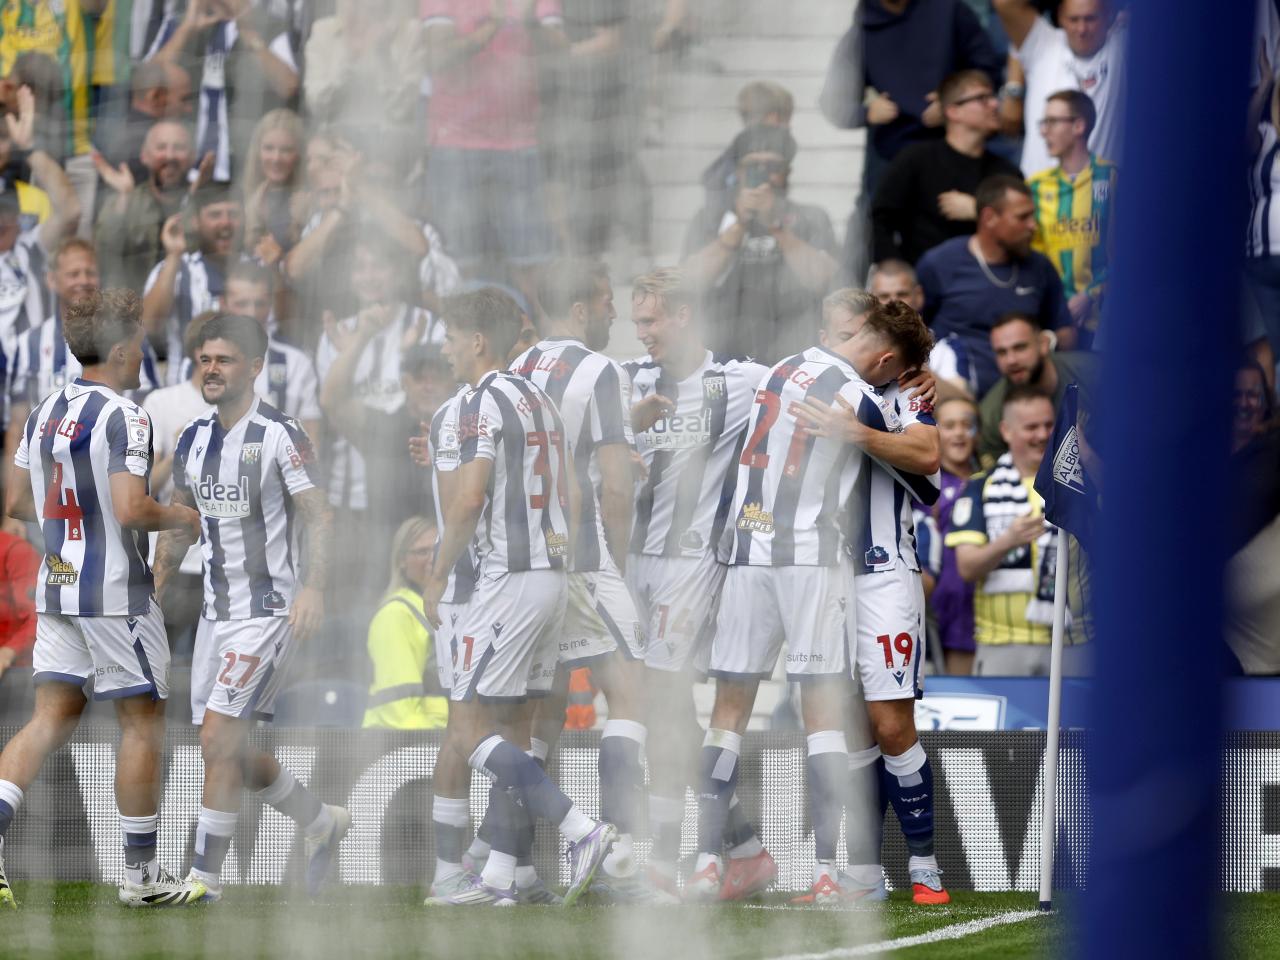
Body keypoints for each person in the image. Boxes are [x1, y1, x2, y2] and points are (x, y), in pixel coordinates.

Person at [687, 294, 933, 906]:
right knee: (824, 717)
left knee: (732, 715)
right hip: (812, 561)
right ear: (881, 357)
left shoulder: (774, 370)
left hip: (764, 556)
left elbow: (927, 451)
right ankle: (829, 871)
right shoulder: (862, 394)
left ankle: (704, 862)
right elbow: (928, 463)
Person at [0, 288, 205, 909]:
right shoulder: (125, 414)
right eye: (139, 343)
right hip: (114, 592)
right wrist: (184, 517)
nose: (144, 353)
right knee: (142, 724)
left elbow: (14, 502)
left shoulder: (42, 413)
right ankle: (140, 878)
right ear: (119, 351)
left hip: (58, 582)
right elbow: (131, 509)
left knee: (51, 717)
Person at [421, 287, 616, 906]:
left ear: (478, 339)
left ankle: (581, 830)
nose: (446, 349)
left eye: (451, 336)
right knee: (511, 727)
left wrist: (435, 572)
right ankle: (509, 875)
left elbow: (469, 499)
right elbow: (576, 495)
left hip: (505, 580)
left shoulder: (478, 402)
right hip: (553, 575)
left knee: (467, 726)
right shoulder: (540, 397)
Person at [152, 313, 348, 903]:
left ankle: (203, 883)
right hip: (216, 612)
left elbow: (320, 515)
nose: (211, 369)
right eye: (205, 359)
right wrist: (157, 583)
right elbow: (183, 520)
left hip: (269, 611)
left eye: (225, 359)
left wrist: (313, 588)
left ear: (256, 367)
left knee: (217, 737)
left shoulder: (282, 435)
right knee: (227, 746)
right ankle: (322, 822)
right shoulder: (191, 437)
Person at [508, 258, 670, 903]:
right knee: (629, 692)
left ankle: (511, 867)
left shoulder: (515, 370)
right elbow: (615, 482)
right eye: (605, 303)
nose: (613, 315)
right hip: (581, 554)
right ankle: (619, 862)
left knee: (537, 713)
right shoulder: (600, 370)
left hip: (523, 560)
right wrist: (619, 567)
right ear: (579, 310)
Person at [621, 267, 775, 899]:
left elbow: (820, 385)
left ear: (683, 317)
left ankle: (668, 859)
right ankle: (742, 847)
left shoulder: (738, 381)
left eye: (651, 321)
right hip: (632, 564)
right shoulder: (629, 381)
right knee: (669, 712)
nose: (642, 334)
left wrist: (911, 379)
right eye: (637, 322)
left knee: (662, 707)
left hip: (691, 564)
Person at [790, 292, 947, 906]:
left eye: (848, 329)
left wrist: (856, 432)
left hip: (885, 573)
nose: (837, 337)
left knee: (889, 725)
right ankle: (858, 871)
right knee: (846, 726)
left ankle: (925, 867)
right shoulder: (819, 380)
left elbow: (931, 459)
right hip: (823, 575)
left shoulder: (906, 398)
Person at [818, 0, 1002, 280]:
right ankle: (851, 314)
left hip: (949, 148)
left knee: (948, 234)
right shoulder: (863, 29)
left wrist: (952, 103)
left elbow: (988, 68)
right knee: (867, 231)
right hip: (890, 151)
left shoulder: (949, 11)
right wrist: (867, 112)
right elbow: (833, 101)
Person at [421, 0, 564, 302]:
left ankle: (546, 345)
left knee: (533, 263)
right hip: (454, 143)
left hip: (520, 144)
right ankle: (461, 344)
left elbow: (560, 52)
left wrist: (531, 22)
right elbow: (438, 57)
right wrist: (493, 26)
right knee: (458, 263)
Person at [682, 124, 839, 363]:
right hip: (721, 355)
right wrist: (739, 224)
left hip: (795, 354)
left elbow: (822, 280)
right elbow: (689, 282)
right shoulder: (710, 219)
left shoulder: (812, 217)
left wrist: (774, 224)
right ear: (738, 171)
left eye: (773, 167)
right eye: (753, 166)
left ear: (788, 172)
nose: (764, 173)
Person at [917, 174, 1071, 394]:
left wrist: (1049, 339)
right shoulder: (939, 264)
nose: (1032, 226)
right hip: (956, 405)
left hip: (1025, 401)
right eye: (1023, 217)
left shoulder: (1040, 267)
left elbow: (1065, 330)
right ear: (989, 217)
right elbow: (914, 335)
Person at [947, 385, 1059, 674]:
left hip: (1069, 641)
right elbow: (967, 567)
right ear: (1007, 431)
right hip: (1001, 645)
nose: (1042, 434)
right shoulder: (980, 487)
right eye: (1031, 427)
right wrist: (1008, 540)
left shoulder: (1074, 485)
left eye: (1049, 425)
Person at [872, 70, 1021, 266]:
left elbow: (1023, 232)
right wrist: (898, 273)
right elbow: (876, 222)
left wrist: (978, 211)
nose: (995, 104)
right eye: (982, 98)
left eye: (993, 97)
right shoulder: (916, 159)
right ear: (953, 111)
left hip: (988, 284)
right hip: (924, 285)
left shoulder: (1005, 172)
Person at [151, 0, 300, 184]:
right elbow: (146, 86)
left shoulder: (270, 24)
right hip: (185, 165)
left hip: (246, 165)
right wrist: (187, 28)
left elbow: (289, 86)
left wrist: (249, 33)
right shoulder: (179, 22)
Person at [142, 311, 219, 652]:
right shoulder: (161, 402)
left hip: (224, 563)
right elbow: (144, 486)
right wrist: (179, 453)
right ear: (194, 352)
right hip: (172, 558)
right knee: (161, 661)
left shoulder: (252, 408)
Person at [992, 0, 1127, 176]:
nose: (1082, 29)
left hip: (1100, 196)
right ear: (1060, 18)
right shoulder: (1042, 44)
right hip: (1038, 195)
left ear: (1108, 17)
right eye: (1073, 19)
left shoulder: (1123, 46)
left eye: (1090, 19)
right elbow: (1005, 3)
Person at [1026, 90, 1117, 348]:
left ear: (1079, 125)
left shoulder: (1112, 178)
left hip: (1106, 317)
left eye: (1052, 122)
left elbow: (1132, 251)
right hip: (1054, 319)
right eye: (1043, 123)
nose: (1044, 131)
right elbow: (1033, 256)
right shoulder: (1035, 187)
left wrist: (1090, 294)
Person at [140, 182, 244, 377]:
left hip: (248, 392)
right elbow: (148, 325)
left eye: (233, 214)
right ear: (196, 221)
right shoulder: (175, 268)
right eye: (215, 215)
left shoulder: (260, 266)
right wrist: (174, 255)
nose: (226, 222)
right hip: (186, 393)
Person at [362, 517, 449, 730]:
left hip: (445, 740)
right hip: (404, 747)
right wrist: (434, 749)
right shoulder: (396, 614)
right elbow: (399, 711)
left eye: (438, 549)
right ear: (402, 561)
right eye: (422, 552)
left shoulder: (447, 609)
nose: (432, 558)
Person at [978, 312, 1099, 465]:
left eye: (1020, 347)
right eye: (1002, 352)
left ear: (1043, 344)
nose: (1011, 360)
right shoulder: (991, 415)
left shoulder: (1095, 374)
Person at [93, 118, 197, 295]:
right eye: (161, 147)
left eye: (179, 148)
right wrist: (124, 199)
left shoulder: (203, 203)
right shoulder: (129, 201)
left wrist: (197, 198)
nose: (170, 156)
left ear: (193, 156)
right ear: (144, 156)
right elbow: (104, 253)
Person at [222, 260, 321, 442]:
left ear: (271, 304)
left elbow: (312, 435)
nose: (252, 313)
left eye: (260, 304)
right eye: (242, 304)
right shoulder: (201, 362)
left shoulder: (297, 362)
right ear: (223, 304)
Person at [869, 258, 972, 397]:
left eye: (902, 294)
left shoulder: (945, 346)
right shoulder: (855, 342)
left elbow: (965, 405)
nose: (893, 302)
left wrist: (925, 374)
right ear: (870, 300)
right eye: (884, 296)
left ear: (918, 296)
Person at [928, 395, 980, 675]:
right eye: (949, 425)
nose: (959, 432)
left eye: (967, 425)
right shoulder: (925, 485)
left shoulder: (991, 480)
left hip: (983, 608)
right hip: (941, 610)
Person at [700, 81, 793, 219]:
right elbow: (715, 186)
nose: (788, 127)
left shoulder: (756, 147)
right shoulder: (741, 152)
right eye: (784, 119)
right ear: (772, 117)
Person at [95, 59, 193, 171]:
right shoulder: (142, 146)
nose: (189, 109)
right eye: (184, 99)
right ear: (156, 97)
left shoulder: (117, 133)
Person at [240, 108, 305, 266]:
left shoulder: (308, 201)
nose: (276, 158)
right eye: (269, 148)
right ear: (258, 151)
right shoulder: (246, 197)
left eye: (286, 150)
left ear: (298, 154)